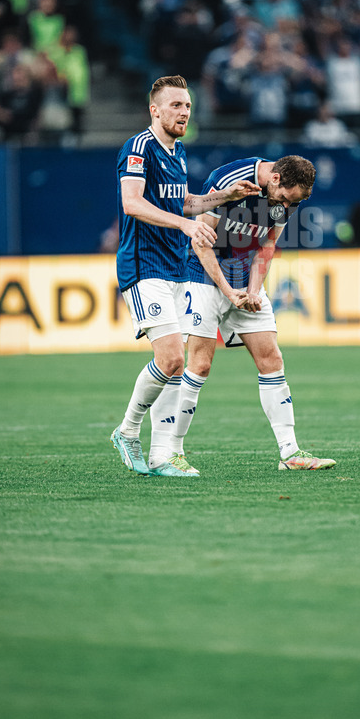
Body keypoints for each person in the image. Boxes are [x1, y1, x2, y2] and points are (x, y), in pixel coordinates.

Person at [111, 74, 260, 477]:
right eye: (176, 105)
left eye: (188, 106)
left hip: (177, 267)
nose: (184, 112)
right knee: (173, 357)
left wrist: (223, 198)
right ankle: (127, 431)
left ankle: (162, 456)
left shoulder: (178, 153)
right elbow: (132, 204)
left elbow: (186, 202)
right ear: (154, 110)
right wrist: (184, 226)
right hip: (145, 266)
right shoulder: (138, 148)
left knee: (177, 365)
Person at [149, 154, 336, 473]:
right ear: (275, 179)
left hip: (243, 279)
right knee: (199, 365)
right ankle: (171, 451)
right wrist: (228, 291)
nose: (288, 207)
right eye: (287, 199)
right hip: (202, 276)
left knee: (271, 359)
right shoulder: (228, 181)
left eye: (295, 203)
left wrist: (252, 290)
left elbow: (267, 245)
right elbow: (201, 243)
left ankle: (290, 454)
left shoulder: (286, 199)